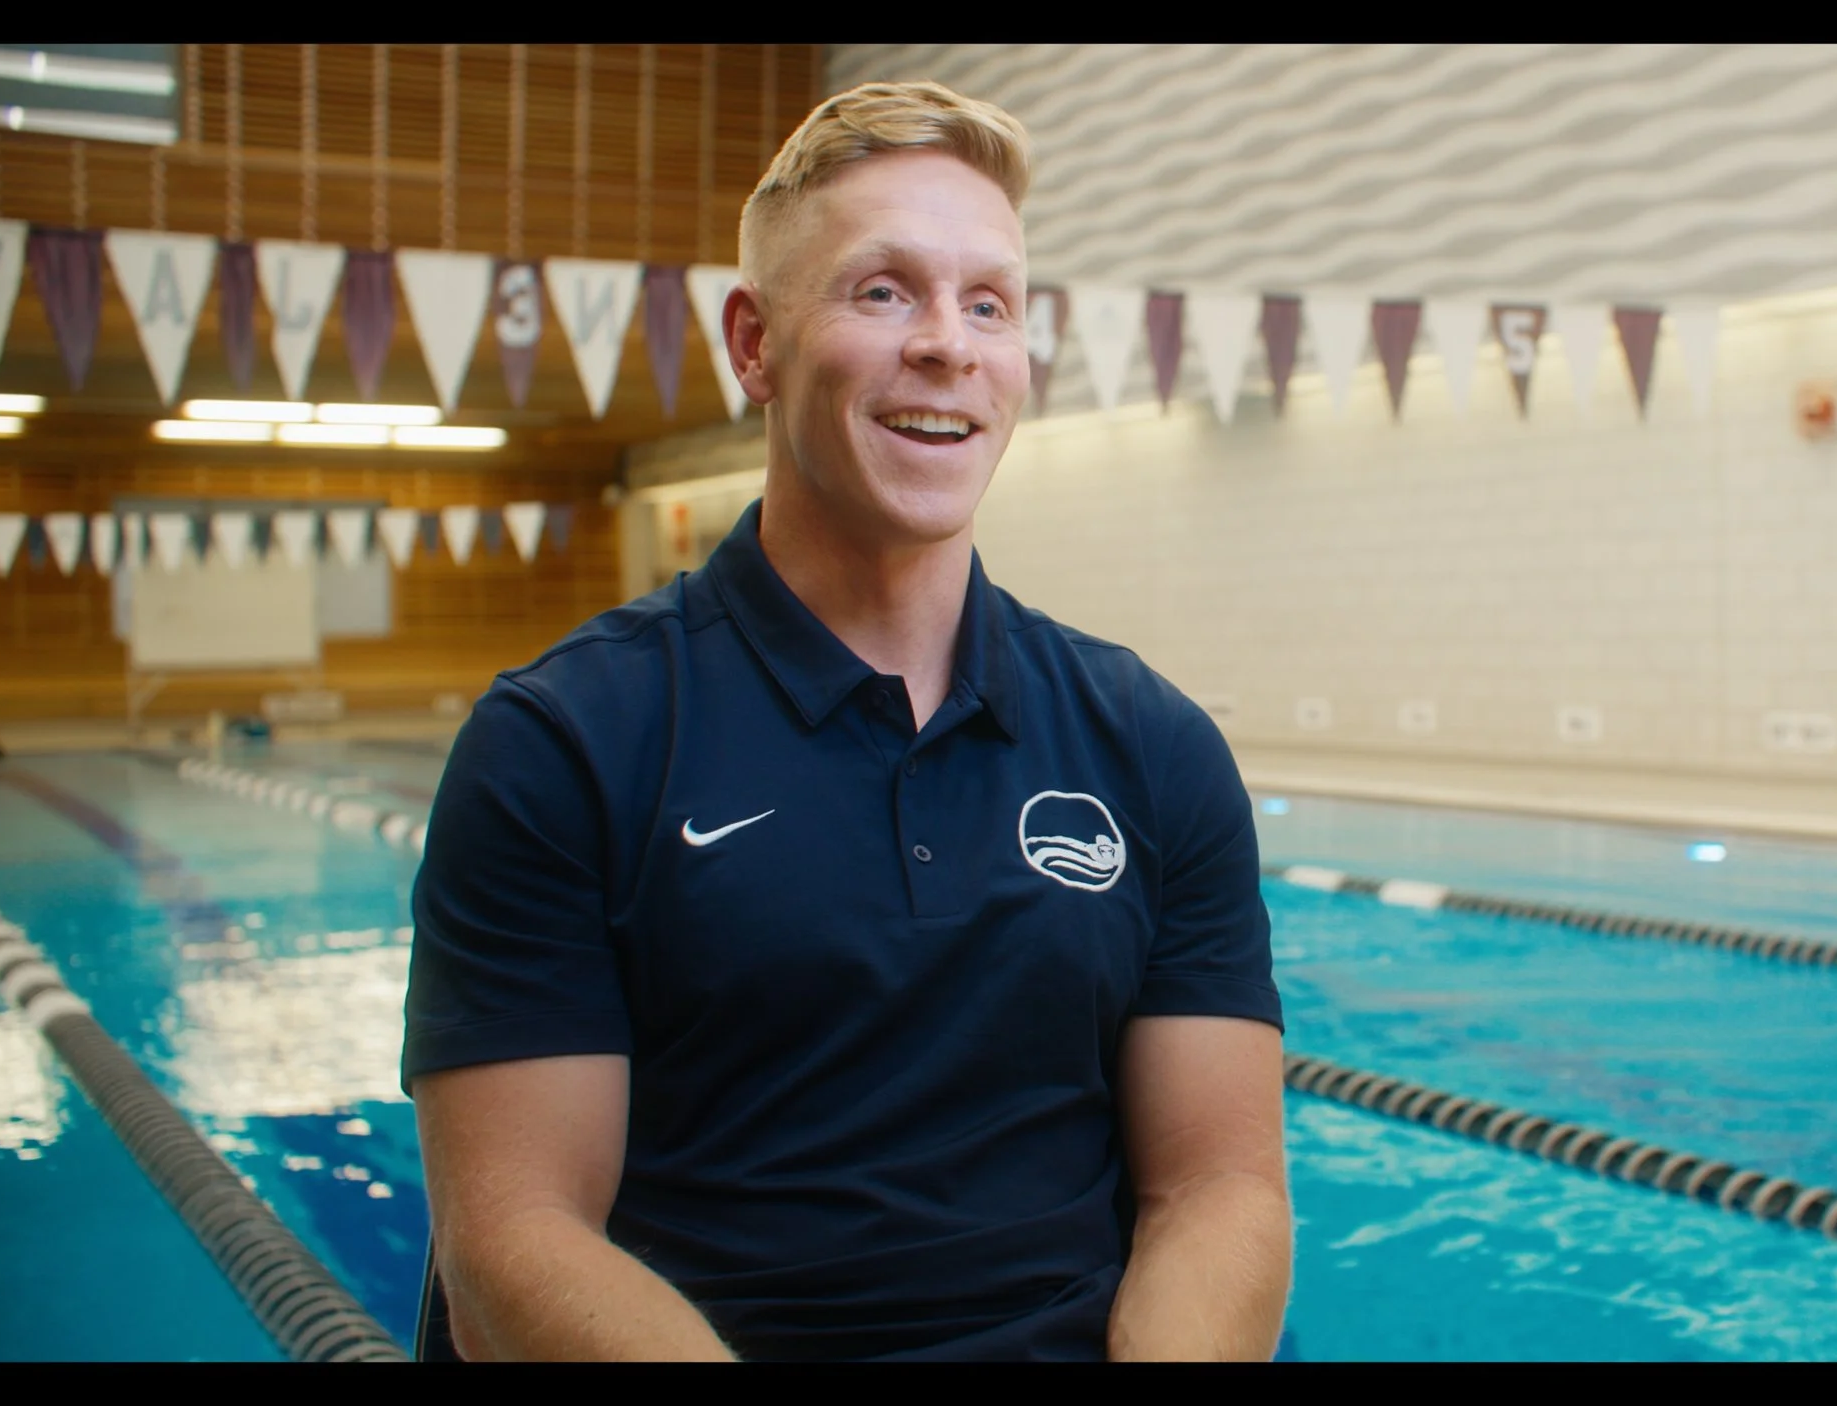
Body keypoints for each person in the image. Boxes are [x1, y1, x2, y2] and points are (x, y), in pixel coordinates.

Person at [402, 80, 1289, 1362]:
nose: (949, 343)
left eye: (989, 302)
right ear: (754, 344)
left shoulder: (1151, 744)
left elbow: (1217, 1189)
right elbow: (515, 1239)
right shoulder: (566, 742)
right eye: (884, 291)